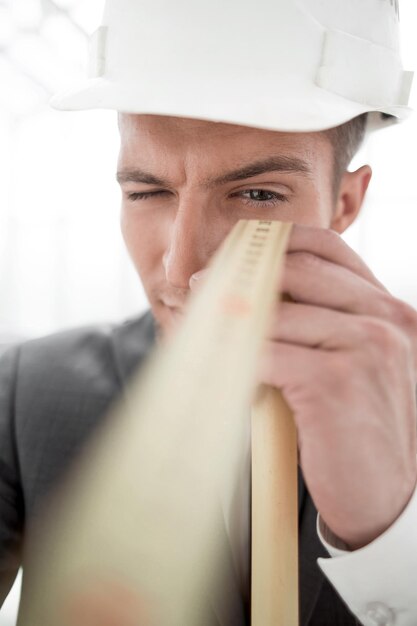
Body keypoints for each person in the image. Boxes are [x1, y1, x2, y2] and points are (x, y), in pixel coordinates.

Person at [1, 0, 416, 624]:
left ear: (345, 204)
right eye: (146, 191)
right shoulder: (25, 392)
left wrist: (390, 539)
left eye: (257, 194)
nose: (180, 267)